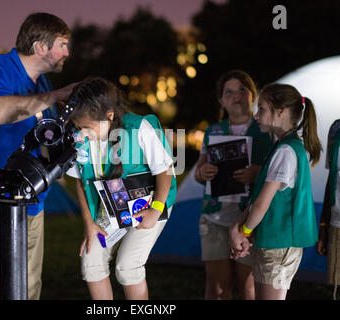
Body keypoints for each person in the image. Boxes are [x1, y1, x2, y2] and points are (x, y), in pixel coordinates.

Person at [0, 12, 77, 300]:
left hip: (33, 199)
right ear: (40, 47)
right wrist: (55, 96)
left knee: (29, 289)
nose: (67, 52)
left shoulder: (44, 84)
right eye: (62, 44)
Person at [65, 77, 177, 300]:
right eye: (79, 127)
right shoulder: (81, 140)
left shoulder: (139, 128)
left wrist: (155, 209)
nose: (83, 133)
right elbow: (80, 181)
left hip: (147, 207)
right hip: (110, 213)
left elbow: (165, 171)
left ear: (109, 116)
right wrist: (89, 224)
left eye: (87, 127)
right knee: (91, 260)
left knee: (128, 266)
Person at [229, 83, 322, 300]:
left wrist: (242, 233)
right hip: (273, 244)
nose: (256, 114)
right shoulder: (282, 146)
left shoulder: (286, 151)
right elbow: (258, 200)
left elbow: (262, 203)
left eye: (261, 108)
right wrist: (239, 227)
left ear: (280, 112)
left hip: (280, 247)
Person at [194, 70, 273, 300]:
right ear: (221, 100)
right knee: (217, 289)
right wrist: (203, 172)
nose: (236, 96)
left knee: (249, 289)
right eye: (229, 92)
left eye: (242, 90)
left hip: (248, 219)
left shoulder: (266, 130)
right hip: (214, 217)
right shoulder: (213, 131)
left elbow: (279, 172)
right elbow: (199, 173)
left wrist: (256, 173)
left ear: (252, 95)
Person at [316, 119, 340, 299]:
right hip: (336, 224)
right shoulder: (336, 129)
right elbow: (331, 180)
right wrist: (323, 228)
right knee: (335, 288)